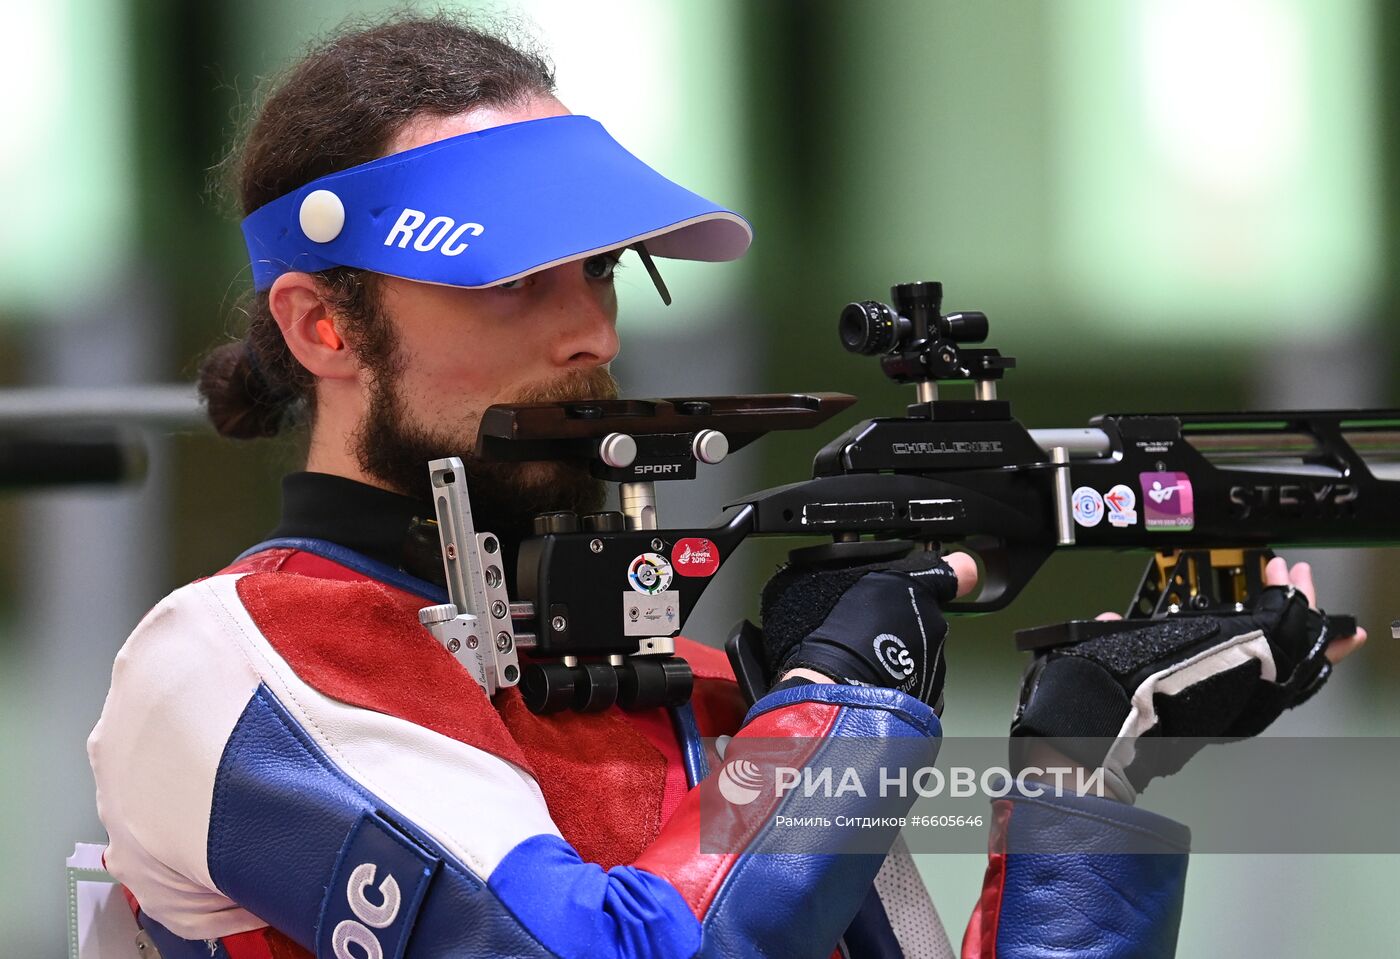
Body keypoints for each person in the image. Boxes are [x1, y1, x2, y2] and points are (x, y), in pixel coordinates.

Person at [87, 15, 1366, 959]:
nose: (587, 330)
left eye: (601, 272)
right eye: (511, 279)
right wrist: (839, 703)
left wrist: (1082, 770)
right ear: (322, 326)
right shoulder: (228, 660)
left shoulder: (703, 689)